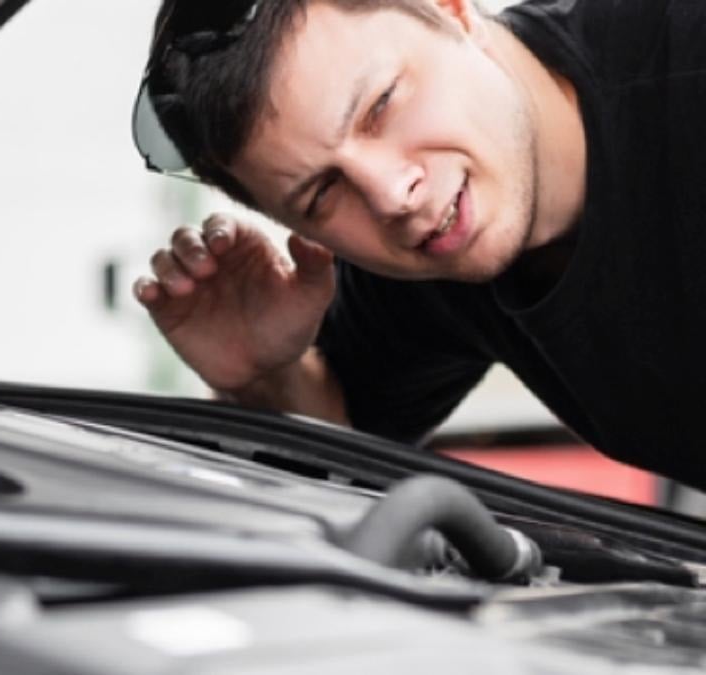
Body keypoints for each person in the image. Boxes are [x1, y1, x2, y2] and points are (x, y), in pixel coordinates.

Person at [130, 0, 706, 490]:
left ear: (451, 10)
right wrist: (268, 374)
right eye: (323, 193)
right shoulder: (427, 248)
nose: (389, 196)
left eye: (381, 105)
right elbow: (343, 448)